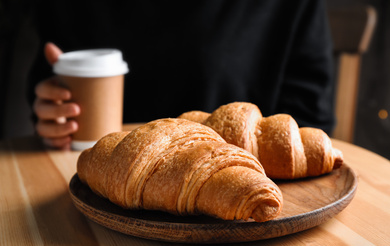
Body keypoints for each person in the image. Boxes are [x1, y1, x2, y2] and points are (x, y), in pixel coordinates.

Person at [28, 0, 335, 149]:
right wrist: (53, 112)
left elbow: (308, 122)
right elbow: (47, 84)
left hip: (247, 218)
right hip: (91, 190)